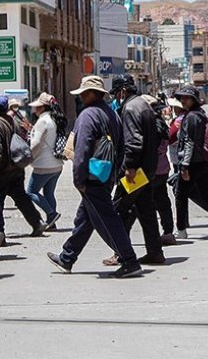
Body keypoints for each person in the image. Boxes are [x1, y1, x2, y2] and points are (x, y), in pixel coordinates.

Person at [47, 76, 143, 278]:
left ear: (91, 93)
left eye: (83, 93)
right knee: (85, 218)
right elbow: (120, 145)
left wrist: (79, 179)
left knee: (108, 219)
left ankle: (129, 260)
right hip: (106, 174)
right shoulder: (111, 113)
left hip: (91, 177)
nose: (81, 97)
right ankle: (67, 256)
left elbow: (82, 149)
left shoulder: (88, 115)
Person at [106, 75, 164, 266]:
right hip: (147, 169)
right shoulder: (142, 104)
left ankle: (121, 253)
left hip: (135, 172)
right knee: (146, 211)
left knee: (119, 209)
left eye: (117, 94)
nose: (116, 99)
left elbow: (134, 142)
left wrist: (129, 167)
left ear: (123, 91)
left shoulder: (130, 108)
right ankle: (155, 252)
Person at [0, 95, 48, 237]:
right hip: (17, 167)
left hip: (4, 170)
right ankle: (37, 222)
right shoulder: (13, 120)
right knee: (21, 197)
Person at [173, 86, 208, 239]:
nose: (183, 101)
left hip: (193, 162)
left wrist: (185, 165)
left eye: (186, 98)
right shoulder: (201, 114)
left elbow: (188, 142)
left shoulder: (190, 117)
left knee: (180, 194)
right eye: (181, 98)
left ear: (193, 99)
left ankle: (181, 229)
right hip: (204, 161)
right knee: (207, 194)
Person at [25, 93, 65, 230]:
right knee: (49, 193)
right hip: (57, 164)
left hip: (43, 164)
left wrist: (28, 157)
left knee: (31, 191)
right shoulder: (54, 119)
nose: (34, 110)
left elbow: (36, 144)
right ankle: (52, 223)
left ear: (41, 107)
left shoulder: (42, 121)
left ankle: (51, 214)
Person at [143, 95, 176, 246]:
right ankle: (168, 232)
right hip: (162, 168)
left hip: (151, 170)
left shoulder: (151, 125)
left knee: (142, 204)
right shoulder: (162, 123)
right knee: (162, 201)